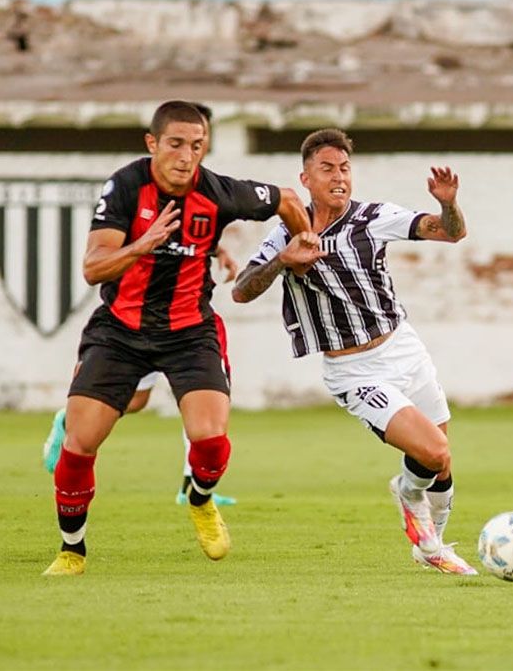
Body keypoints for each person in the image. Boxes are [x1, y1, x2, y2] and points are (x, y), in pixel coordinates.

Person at [43, 100, 314, 576]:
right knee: (82, 443)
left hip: (190, 332)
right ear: (153, 144)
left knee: (210, 439)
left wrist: (307, 244)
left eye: (196, 145)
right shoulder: (126, 187)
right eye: (175, 145)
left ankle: (200, 499)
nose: (186, 156)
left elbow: (289, 200)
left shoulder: (219, 192)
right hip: (121, 332)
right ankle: (72, 550)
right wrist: (141, 244)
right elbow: (92, 268)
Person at [231, 128, 476, 575]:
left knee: (442, 463)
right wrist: (283, 260)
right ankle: (406, 494)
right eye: (327, 168)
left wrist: (447, 202)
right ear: (305, 178)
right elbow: (241, 291)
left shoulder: (374, 217)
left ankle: (432, 546)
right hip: (355, 369)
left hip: (403, 347)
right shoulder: (286, 233)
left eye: (345, 168)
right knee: (433, 452)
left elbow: (451, 233)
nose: (339, 177)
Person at [41, 247, 240, 506]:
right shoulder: (131, 217)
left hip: (186, 326)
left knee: (202, 404)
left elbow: (195, 228)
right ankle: (70, 420)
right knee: (136, 401)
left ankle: (190, 483)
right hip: (136, 326)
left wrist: (220, 250)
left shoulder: (190, 214)